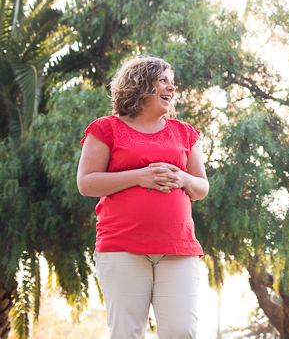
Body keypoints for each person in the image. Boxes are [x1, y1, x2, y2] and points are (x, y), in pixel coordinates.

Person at [77, 57, 209, 339]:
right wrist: (139, 176)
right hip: (121, 246)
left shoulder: (184, 132)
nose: (171, 88)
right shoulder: (106, 128)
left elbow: (201, 188)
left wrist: (182, 178)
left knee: (181, 331)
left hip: (178, 246)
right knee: (127, 333)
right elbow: (86, 183)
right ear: (140, 84)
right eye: (163, 80)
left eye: (172, 82)